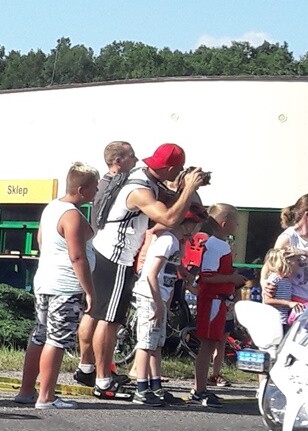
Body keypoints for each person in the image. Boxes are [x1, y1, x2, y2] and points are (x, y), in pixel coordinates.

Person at [87, 142, 206, 400]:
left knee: (110, 319)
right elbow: (171, 219)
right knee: (108, 321)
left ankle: (98, 374)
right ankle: (102, 381)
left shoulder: (147, 179)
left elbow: (171, 204)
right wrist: (190, 190)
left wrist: (185, 187)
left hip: (115, 254)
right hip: (115, 255)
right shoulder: (140, 189)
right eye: (179, 169)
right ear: (171, 167)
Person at [15, 162, 99, 410]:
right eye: (94, 188)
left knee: (40, 335)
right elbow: (77, 256)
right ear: (82, 189)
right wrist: (89, 290)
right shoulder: (71, 215)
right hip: (65, 285)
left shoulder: (52, 207)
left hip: (45, 281)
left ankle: (26, 390)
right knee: (57, 339)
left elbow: (41, 239)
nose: (96, 193)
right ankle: (47, 396)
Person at [74, 140, 137, 387]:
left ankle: (86, 366)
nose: (136, 161)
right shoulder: (118, 183)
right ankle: (103, 376)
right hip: (112, 251)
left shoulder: (103, 184)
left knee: (93, 311)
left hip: (97, 248)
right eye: (131, 156)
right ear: (117, 161)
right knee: (108, 318)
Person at [131, 210, 202, 407]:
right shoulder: (167, 241)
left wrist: (168, 300)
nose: (195, 231)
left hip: (161, 297)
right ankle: (141, 388)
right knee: (146, 342)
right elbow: (151, 274)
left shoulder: (177, 244)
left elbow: (171, 273)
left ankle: (156, 385)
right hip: (150, 296)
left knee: (157, 343)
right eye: (193, 225)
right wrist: (158, 304)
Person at [189, 204, 247, 407]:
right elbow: (208, 276)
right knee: (207, 345)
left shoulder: (219, 245)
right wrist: (232, 277)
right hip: (212, 299)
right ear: (225, 223)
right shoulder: (216, 246)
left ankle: (202, 387)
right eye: (236, 221)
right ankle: (199, 389)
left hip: (218, 300)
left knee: (212, 343)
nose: (238, 225)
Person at [260, 247, 300, 326]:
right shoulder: (274, 279)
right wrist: (288, 303)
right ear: (285, 263)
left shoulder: (287, 280)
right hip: (273, 321)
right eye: (296, 261)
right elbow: (267, 300)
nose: (298, 263)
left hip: (283, 320)